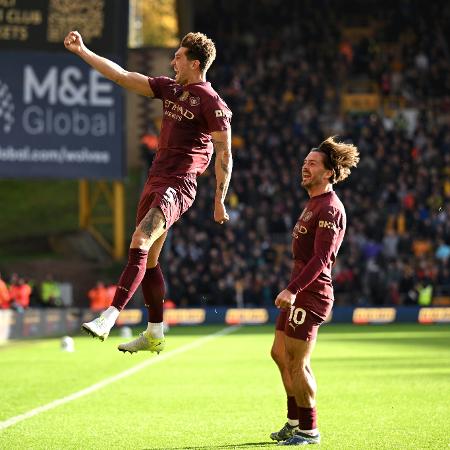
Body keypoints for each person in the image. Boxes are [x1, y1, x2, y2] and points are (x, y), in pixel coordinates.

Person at [64, 30, 232, 354]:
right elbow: (123, 76)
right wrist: (83, 51)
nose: (173, 61)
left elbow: (224, 153)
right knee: (150, 260)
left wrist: (219, 199)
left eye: (179, 57)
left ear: (195, 63)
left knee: (140, 240)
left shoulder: (212, 103)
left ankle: (110, 316)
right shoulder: (170, 89)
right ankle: (155, 331)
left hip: (178, 185)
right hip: (155, 180)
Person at [270, 137, 359, 446]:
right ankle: (294, 422)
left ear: (329, 173)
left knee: (298, 363)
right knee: (279, 354)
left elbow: (322, 259)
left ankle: (309, 430)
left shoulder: (331, 209)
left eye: (312, 164)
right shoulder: (313, 203)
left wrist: (293, 289)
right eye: (304, 162)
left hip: (311, 294)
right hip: (301, 290)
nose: (304, 167)